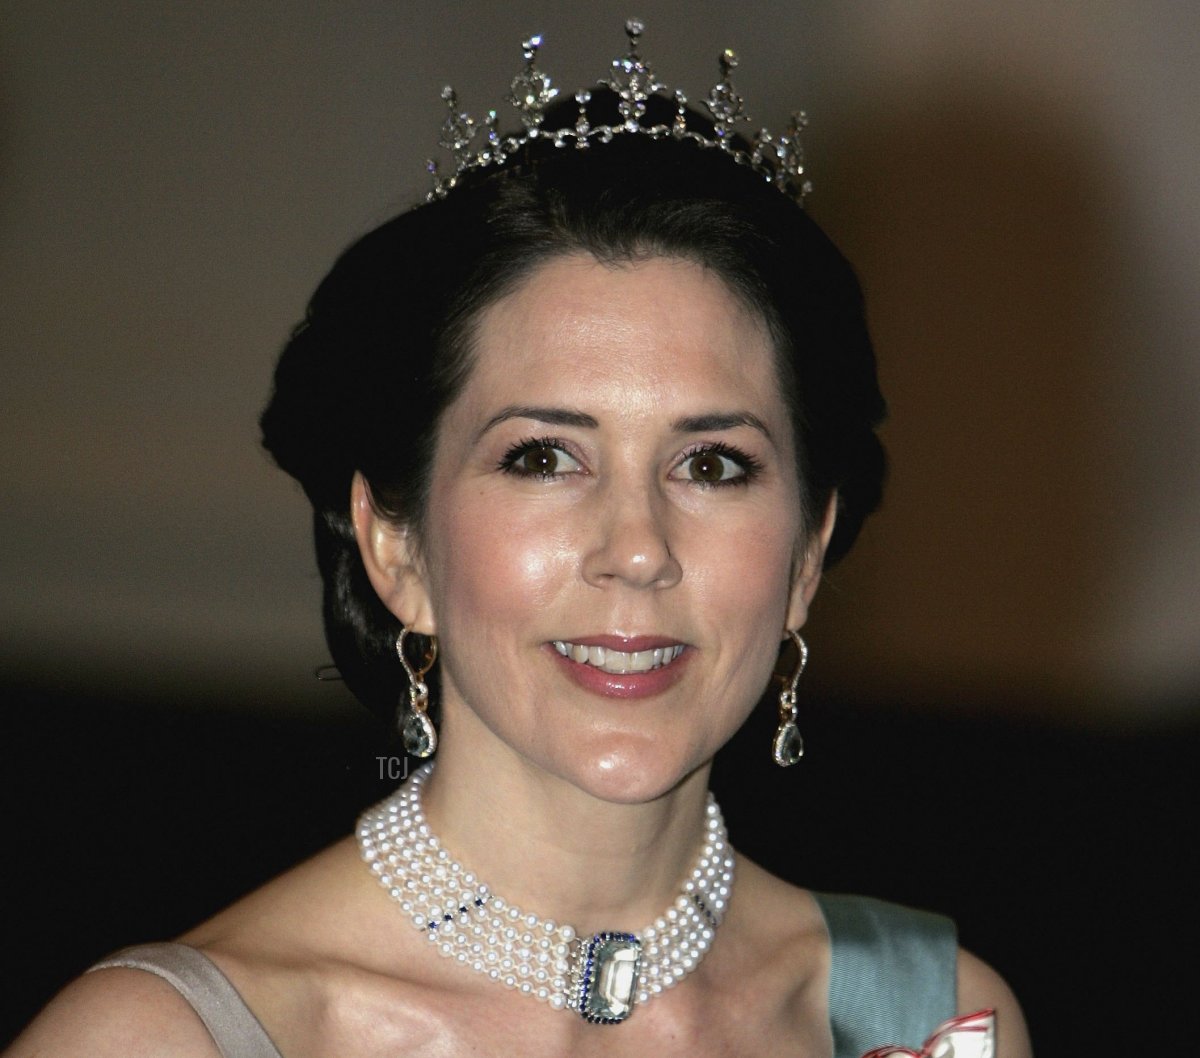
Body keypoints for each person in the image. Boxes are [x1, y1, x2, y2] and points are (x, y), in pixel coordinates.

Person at [6, 23, 1031, 1058]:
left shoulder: (926, 1017)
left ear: (807, 554)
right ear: (395, 544)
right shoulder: (165, 1038)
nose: (637, 548)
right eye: (544, 457)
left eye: (713, 464)